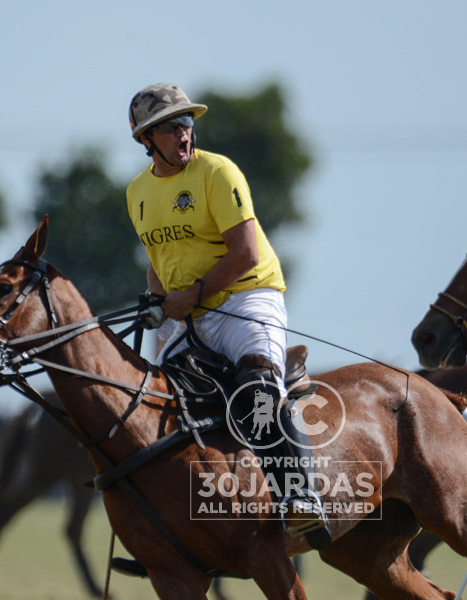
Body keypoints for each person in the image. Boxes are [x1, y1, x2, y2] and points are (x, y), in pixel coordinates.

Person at [124, 82, 329, 544]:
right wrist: (157, 304)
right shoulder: (137, 192)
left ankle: (300, 495)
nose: (184, 133)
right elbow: (158, 262)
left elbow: (246, 254)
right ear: (145, 139)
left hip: (246, 297)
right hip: (186, 313)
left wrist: (193, 294)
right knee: (157, 406)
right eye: (171, 126)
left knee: (257, 385)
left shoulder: (218, 172)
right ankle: (164, 527)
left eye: (187, 122)